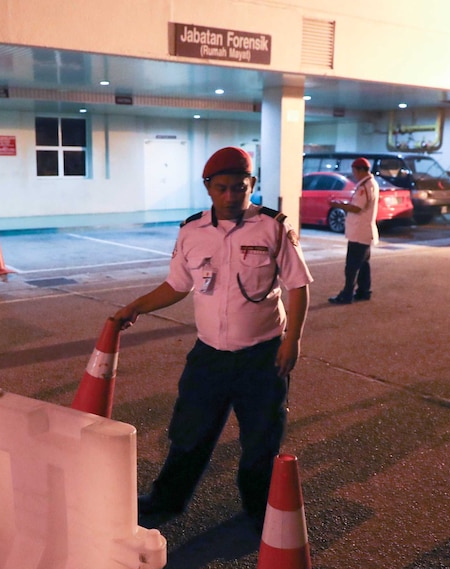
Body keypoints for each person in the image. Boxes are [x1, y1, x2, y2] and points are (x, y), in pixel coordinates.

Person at [111, 147, 312, 529]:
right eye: (222, 188)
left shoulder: (273, 227)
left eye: (240, 187)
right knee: (189, 430)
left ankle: (259, 510)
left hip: (263, 354)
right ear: (208, 188)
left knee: (261, 439)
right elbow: (177, 284)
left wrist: (293, 340)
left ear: (251, 185)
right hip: (210, 356)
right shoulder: (191, 231)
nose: (232, 195)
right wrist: (136, 306)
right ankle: (167, 499)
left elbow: (298, 286)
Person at [328, 157, 379, 304]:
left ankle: (347, 294)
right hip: (364, 231)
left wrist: (338, 205)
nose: (354, 174)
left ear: (360, 170)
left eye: (354, 171)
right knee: (363, 264)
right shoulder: (370, 184)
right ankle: (364, 291)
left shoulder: (365, 186)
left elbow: (357, 207)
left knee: (351, 266)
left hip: (359, 232)